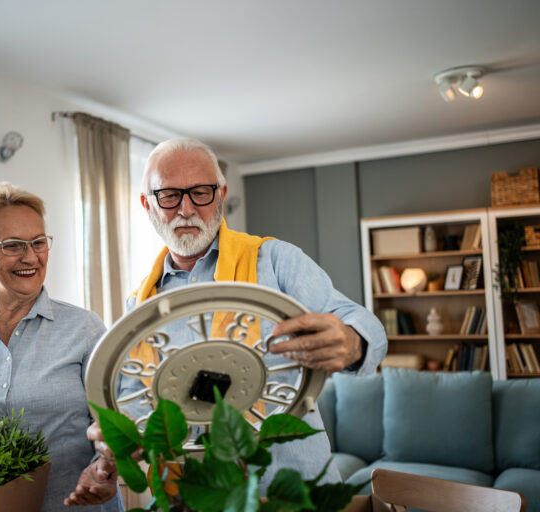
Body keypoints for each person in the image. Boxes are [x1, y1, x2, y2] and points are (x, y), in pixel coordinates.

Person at [87, 138, 388, 489]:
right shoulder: (139, 306)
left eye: (200, 192)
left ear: (221, 194)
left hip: (293, 487)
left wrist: (352, 341)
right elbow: (134, 404)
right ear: (147, 204)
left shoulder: (275, 261)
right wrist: (121, 436)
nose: (186, 209)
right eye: (169, 195)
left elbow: (363, 324)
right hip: (194, 496)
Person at [0, 182, 122, 512]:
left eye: (38, 242)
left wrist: (107, 464)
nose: (30, 256)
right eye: (12, 245)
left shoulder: (85, 329)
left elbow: (117, 423)